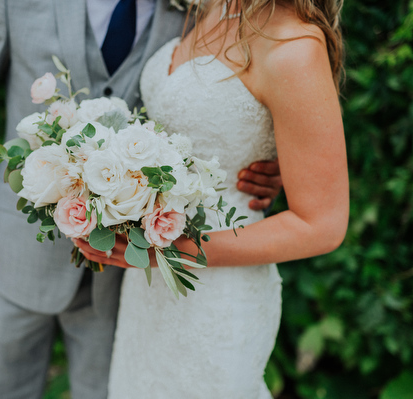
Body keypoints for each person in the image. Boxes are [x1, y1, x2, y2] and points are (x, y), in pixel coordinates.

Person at [0, 1, 283, 398]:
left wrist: (263, 162)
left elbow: (221, 105)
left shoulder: (193, 8)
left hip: (128, 269)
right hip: (13, 255)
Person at [76, 0, 348, 397]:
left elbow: (321, 225)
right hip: (149, 292)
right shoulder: (206, 7)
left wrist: (173, 249)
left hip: (217, 292)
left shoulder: (295, 45)